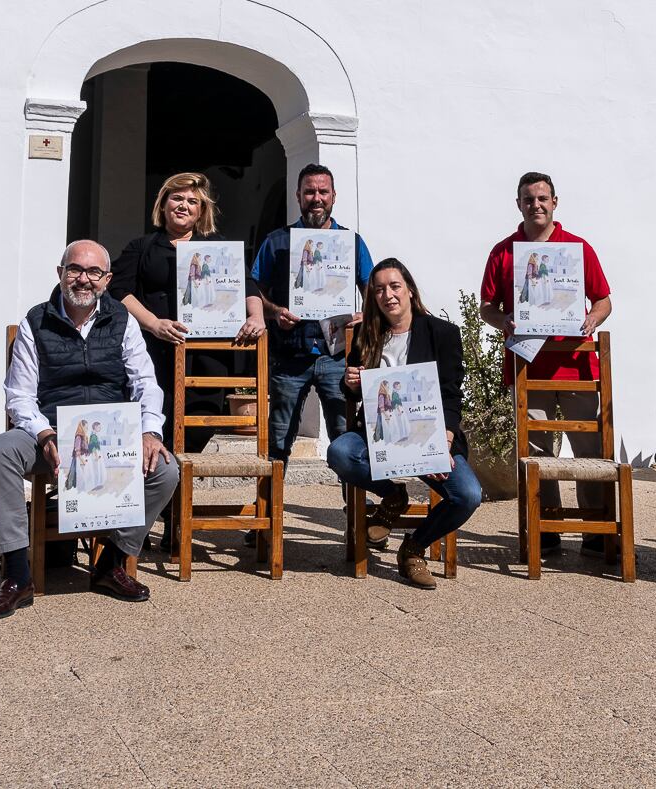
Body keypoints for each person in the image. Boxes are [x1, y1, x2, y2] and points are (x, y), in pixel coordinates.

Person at [0, 240, 180, 619]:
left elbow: (146, 384)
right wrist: (44, 434)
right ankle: (17, 576)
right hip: (51, 431)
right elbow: (18, 396)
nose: (83, 279)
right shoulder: (35, 321)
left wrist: (150, 432)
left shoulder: (123, 320)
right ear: (60, 273)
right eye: (75, 270)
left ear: (107, 279)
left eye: (93, 272)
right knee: (0, 451)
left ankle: (112, 563)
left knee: (166, 469)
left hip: (109, 437)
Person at [478, 172, 613, 552]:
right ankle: (547, 530)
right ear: (518, 204)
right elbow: (487, 306)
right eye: (528, 199)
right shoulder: (503, 252)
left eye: (542, 198)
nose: (535, 205)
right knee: (536, 453)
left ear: (555, 202)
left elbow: (603, 299)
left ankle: (596, 533)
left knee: (588, 450)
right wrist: (503, 320)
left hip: (576, 365)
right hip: (528, 366)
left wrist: (592, 319)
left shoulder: (578, 248)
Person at [329, 259, 480, 590]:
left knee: (468, 494)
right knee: (339, 453)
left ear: (409, 290)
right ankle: (393, 496)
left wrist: (445, 439)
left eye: (394, 286)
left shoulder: (442, 333)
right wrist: (351, 382)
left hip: (427, 436)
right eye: (379, 289)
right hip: (376, 436)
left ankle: (414, 547)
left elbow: (452, 395)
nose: (388, 295)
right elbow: (352, 388)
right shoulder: (368, 335)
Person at [109, 173, 263, 458]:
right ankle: (161, 491)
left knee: (200, 424)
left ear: (201, 211)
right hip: (154, 351)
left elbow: (247, 285)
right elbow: (118, 289)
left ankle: (174, 485)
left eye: (193, 201)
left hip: (205, 355)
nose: (184, 205)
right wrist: (153, 323)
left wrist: (256, 316)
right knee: (154, 419)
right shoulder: (141, 248)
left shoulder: (218, 248)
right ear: (164, 204)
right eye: (177, 198)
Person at [250, 164, 375, 463]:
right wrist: (273, 311)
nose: (316, 198)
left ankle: (354, 507)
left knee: (346, 436)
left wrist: (364, 314)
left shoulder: (352, 243)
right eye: (309, 191)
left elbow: (374, 290)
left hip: (338, 357)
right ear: (298, 196)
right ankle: (270, 507)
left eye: (322, 191)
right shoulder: (276, 241)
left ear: (334, 196)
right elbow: (254, 289)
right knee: (277, 439)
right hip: (289, 355)